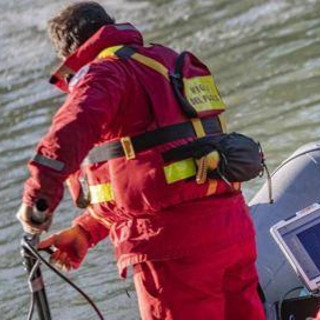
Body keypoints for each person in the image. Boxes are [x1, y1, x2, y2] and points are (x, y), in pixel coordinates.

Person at [16, 2, 265, 319]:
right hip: (233, 233)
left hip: (173, 249)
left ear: (68, 55)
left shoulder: (105, 73)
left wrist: (38, 198)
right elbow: (162, 167)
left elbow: (70, 130)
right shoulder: (168, 62)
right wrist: (87, 231)